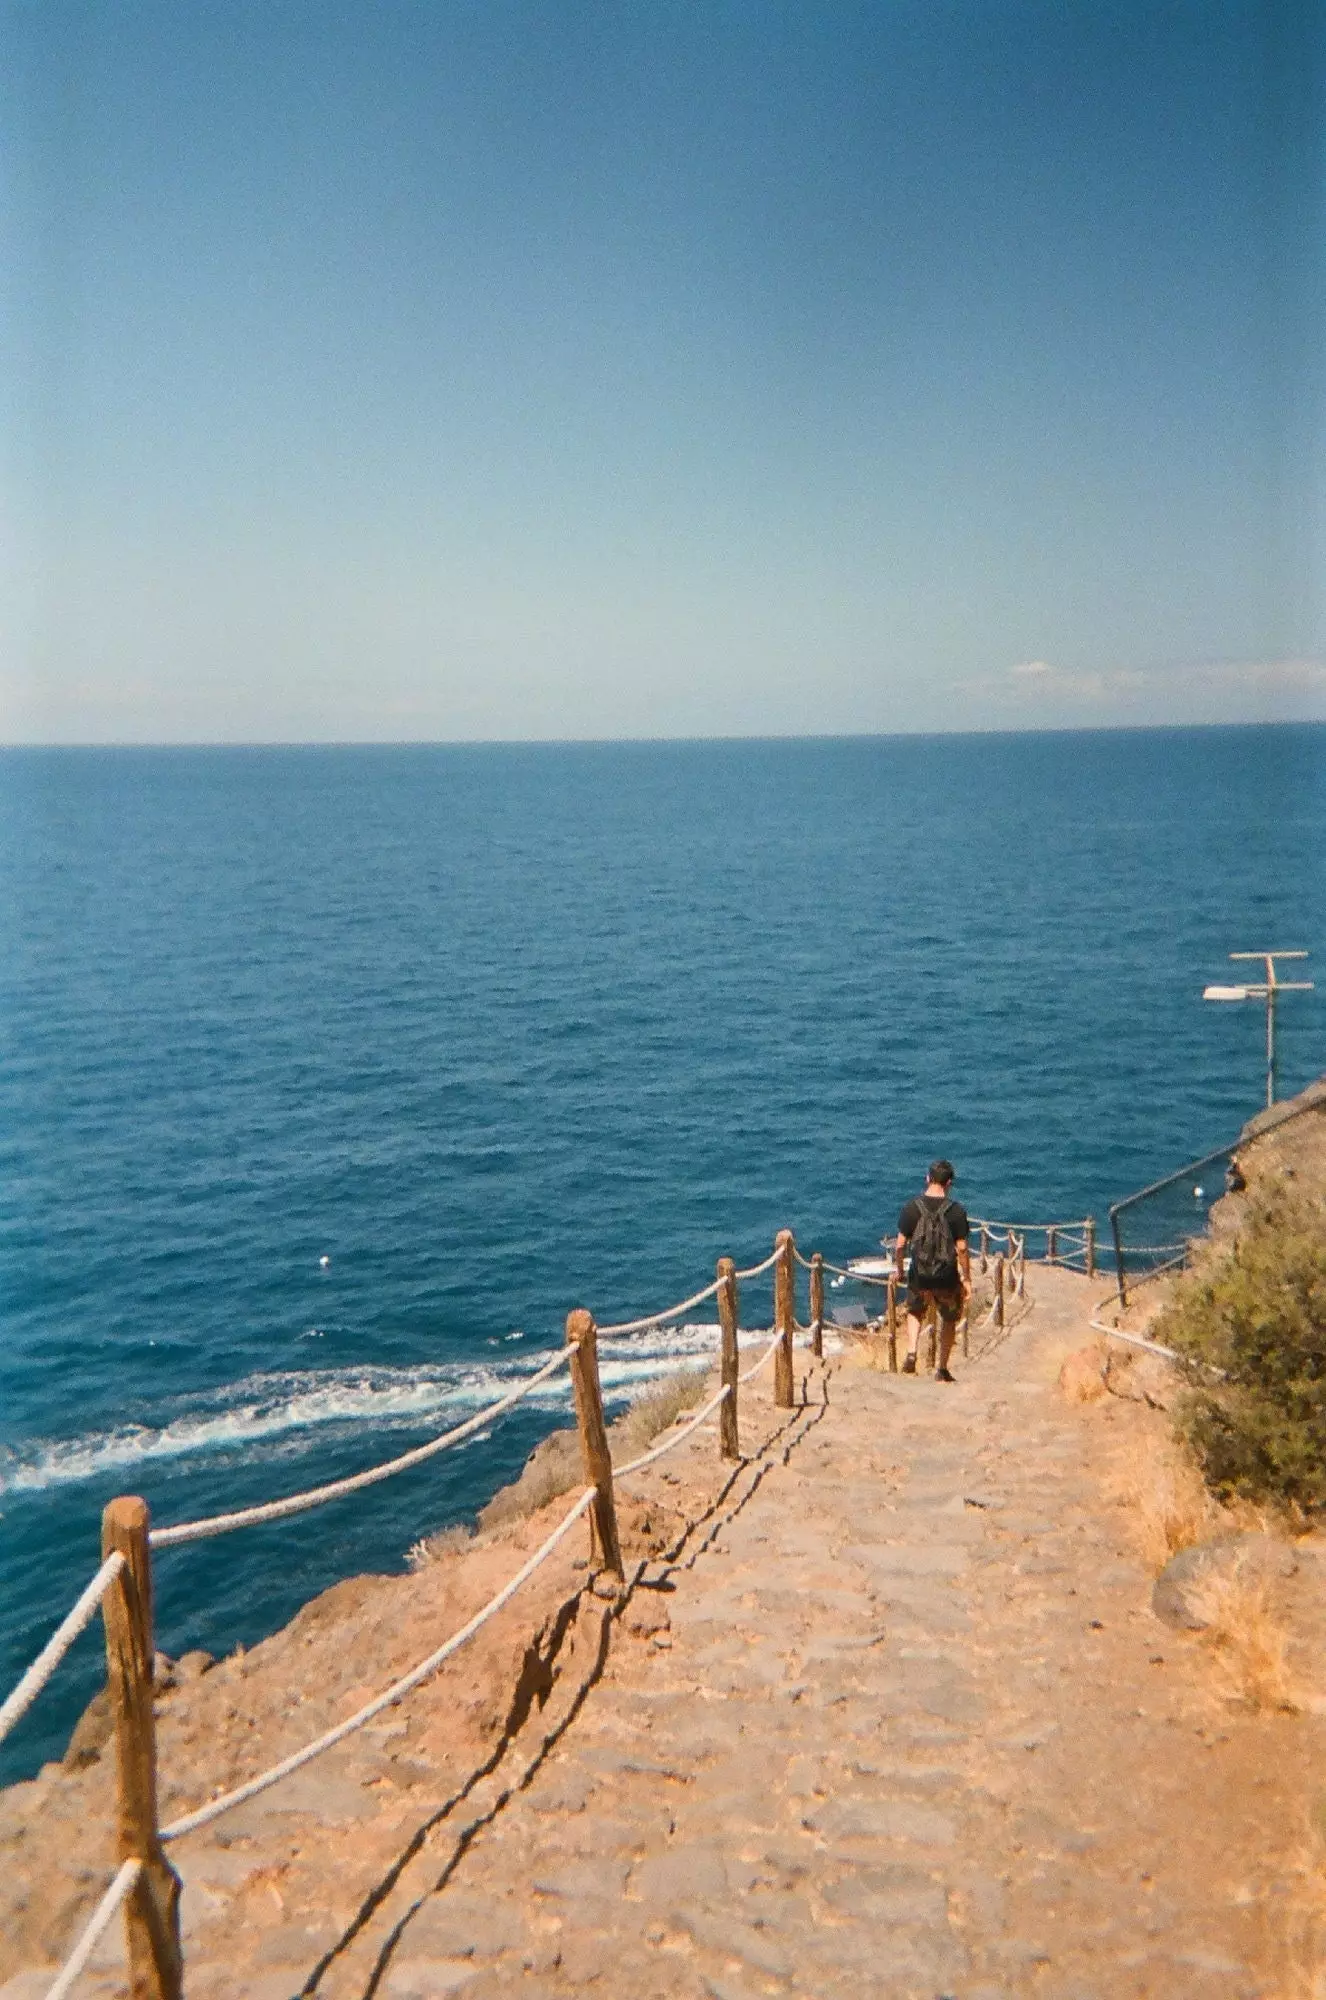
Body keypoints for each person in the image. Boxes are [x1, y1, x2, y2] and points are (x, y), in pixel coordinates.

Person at [893, 1159, 971, 1381]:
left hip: (920, 1275)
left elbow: (900, 1245)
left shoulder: (911, 1208)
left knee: (915, 1311)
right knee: (948, 1319)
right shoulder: (956, 1211)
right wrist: (966, 1278)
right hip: (947, 1277)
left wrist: (899, 1270)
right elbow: (962, 1249)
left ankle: (911, 1353)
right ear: (949, 1183)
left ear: (927, 1179)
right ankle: (942, 1368)